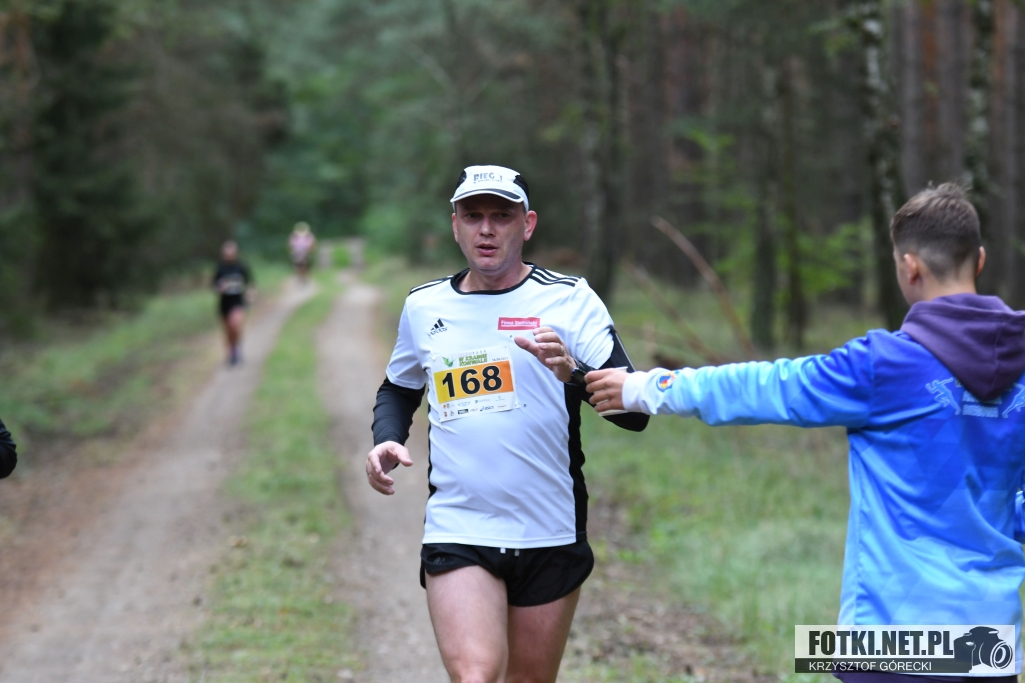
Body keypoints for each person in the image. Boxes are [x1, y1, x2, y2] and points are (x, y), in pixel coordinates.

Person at [586, 183, 1025, 683]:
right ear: (980, 260)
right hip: (991, 645)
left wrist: (645, 388)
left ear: (910, 268)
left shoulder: (883, 365)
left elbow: (768, 386)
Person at [367, 165, 648, 683]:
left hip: (549, 527)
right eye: (473, 216)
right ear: (455, 226)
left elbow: (635, 413)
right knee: (475, 675)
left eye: (501, 216)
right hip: (459, 525)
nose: (486, 229)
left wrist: (573, 373)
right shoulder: (424, 305)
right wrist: (386, 438)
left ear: (528, 224)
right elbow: (400, 387)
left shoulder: (569, 299)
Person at [212, 240, 253, 366]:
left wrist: (251, 294)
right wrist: (220, 287)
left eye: (231, 252)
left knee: (235, 325)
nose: (229, 254)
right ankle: (231, 352)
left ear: (236, 253)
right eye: (227, 252)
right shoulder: (220, 268)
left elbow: (250, 283)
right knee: (228, 330)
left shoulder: (241, 267)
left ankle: (236, 349)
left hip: (238, 302)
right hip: (224, 303)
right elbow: (214, 285)